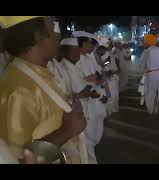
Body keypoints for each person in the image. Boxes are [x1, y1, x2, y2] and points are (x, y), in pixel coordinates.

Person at [0, 16, 86, 163]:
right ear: (38, 37)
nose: (59, 43)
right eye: (53, 33)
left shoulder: (38, 73)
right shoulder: (20, 88)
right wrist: (67, 130)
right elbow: (16, 159)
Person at [72, 31, 107, 164]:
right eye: (90, 43)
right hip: (85, 102)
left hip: (97, 99)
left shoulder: (89, 58)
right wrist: (89, 79)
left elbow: (96, 77)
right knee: (88, 137)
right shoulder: (75, 59)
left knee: (96, 133)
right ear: (84, 43)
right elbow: (75, 82)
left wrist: (101, 89)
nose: (92, 47)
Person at [140, 34, 159, 115]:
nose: (144, 43)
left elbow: (142, 65)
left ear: (148, 42)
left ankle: (151, 110)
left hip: (150, 74)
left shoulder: (146, 51)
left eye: (145, 42)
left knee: (150, 92)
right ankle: (158, 108)